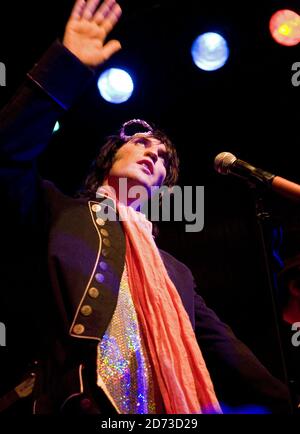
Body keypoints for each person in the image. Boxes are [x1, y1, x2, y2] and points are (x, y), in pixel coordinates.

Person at [0, 0, 292, 414]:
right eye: (140, 142)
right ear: (108, 159)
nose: (153, 153)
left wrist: (289, 400)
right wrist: (65, 69)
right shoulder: (57, 212)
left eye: (164, 157)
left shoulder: (176, 272)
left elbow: (227, 350)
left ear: (160, 187)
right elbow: (7, 155)